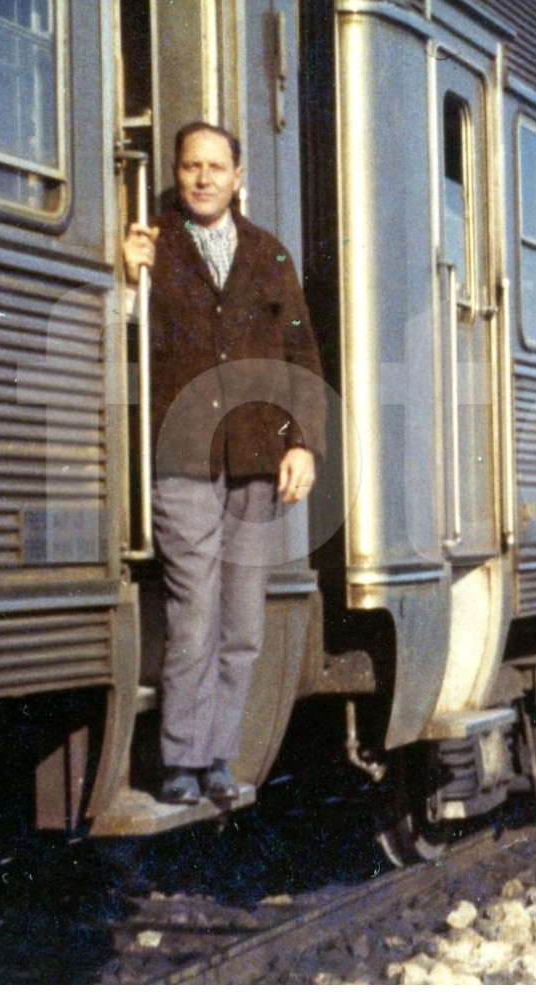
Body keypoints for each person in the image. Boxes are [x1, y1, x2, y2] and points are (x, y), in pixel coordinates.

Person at [123, 122, 324, 805]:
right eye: (190, 166)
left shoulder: (269, 256)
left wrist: (303, 443)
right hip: (181, 454)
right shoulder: (152, 245)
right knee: (195, 610)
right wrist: (127, 279)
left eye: (215, 166)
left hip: (255, 454)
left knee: (243, 622)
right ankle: (180, 759)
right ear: (176, 176)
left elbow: (300, 354)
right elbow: (124, 336)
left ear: (239, 177)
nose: (203, 177)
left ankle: (217, 756)